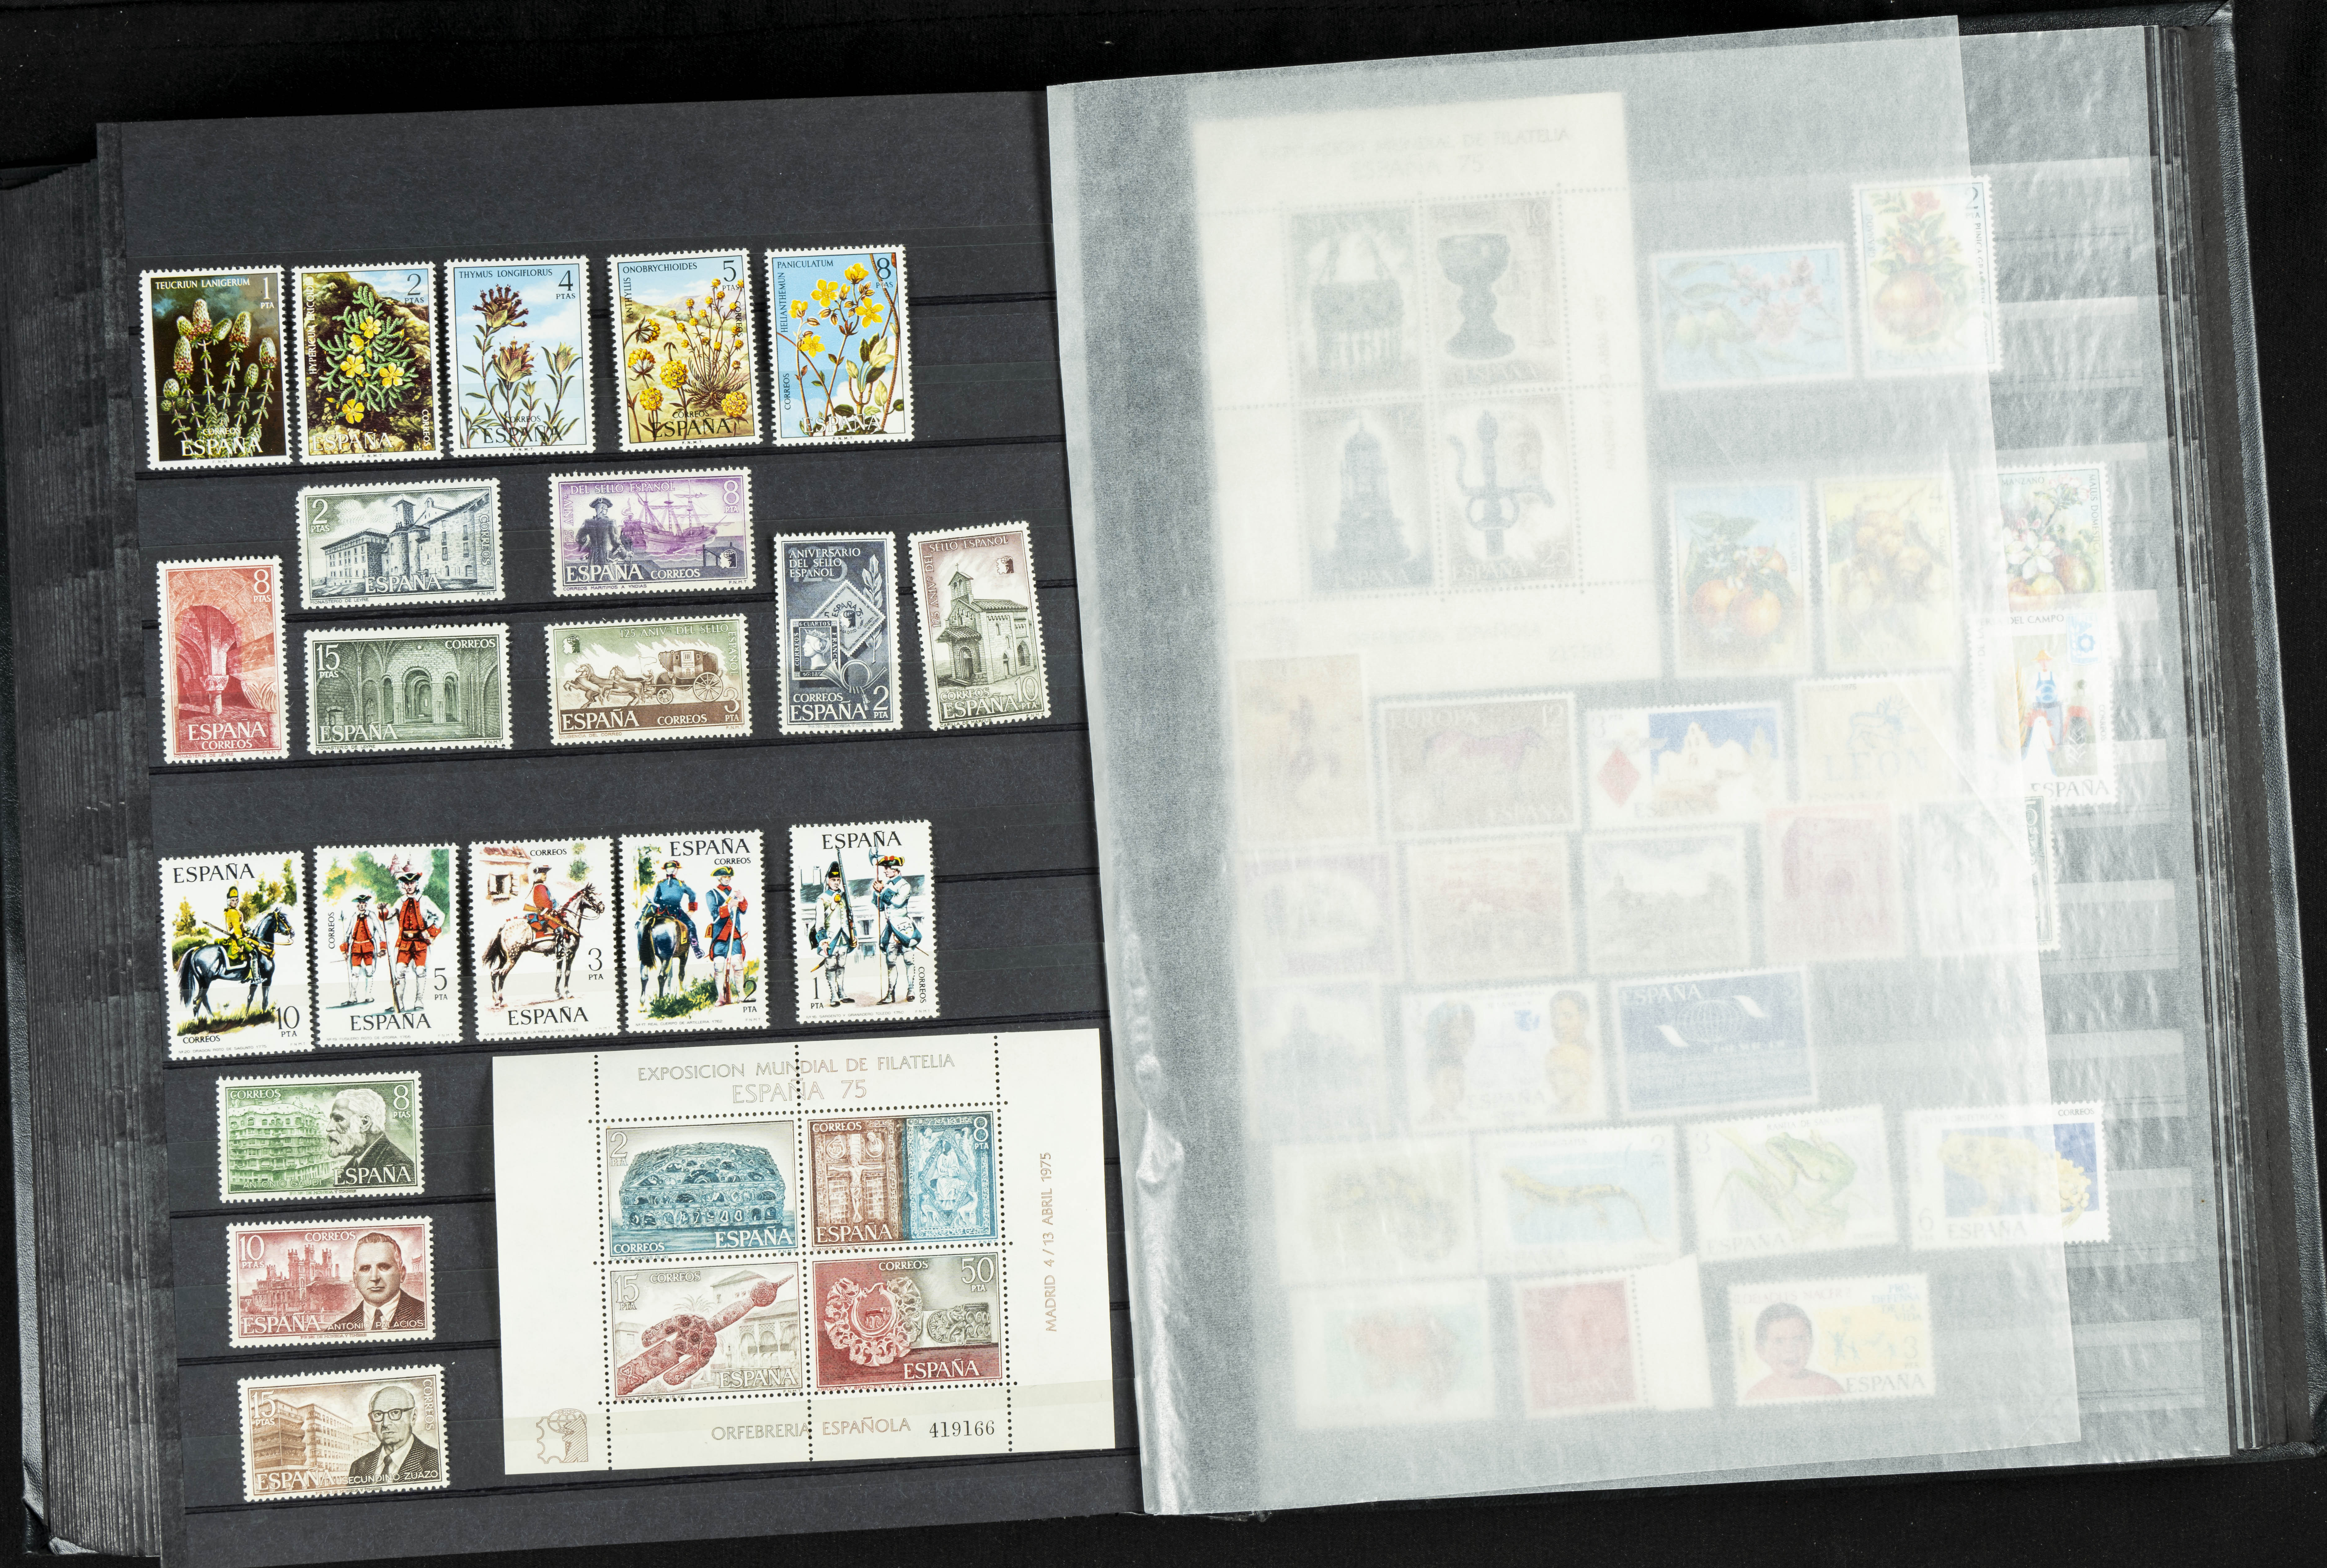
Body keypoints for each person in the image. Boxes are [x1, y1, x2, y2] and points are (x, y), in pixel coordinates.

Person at [1742, 1301, 1844, 1401]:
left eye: (1798, 1339)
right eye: (1779, 1342)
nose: (1790, 1349)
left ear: (1810, 1344)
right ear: (1761, 1350)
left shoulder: (1830, 1389)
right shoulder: (1756, 1396)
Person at [346, 1384, 440, 1486]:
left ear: (413, 1417)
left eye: (395, 1413)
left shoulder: (437, 1461)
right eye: (378, 1414)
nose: (386, 1424)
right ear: (372, 1422)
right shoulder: (358, 1466)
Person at [331, 1232, 427, 1332]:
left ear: (402, 1274)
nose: (375, 1278)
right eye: (365, 1269)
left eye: (384, 1267)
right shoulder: (336, 1330)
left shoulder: (428, 1315)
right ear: (356, 1279)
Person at [327, 1088, 416, 1188]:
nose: (329, 1128)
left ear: (365, 1123)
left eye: (338, 1119)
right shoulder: (353, 1165)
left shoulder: (399, 1168)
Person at [387, 863, 444, 1016]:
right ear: (403, 886)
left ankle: (419, 1001)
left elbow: (441, 916)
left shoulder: (425, 900)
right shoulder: (401, 901)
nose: (409, 886)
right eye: (406, 883)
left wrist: (430, 933)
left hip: (420, 943)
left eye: (412, 883)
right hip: (405, 943)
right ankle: (399, 1003)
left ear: (417, 884)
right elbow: (389, 915)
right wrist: (383, 910)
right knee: (400, 971)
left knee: (420, 971)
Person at [870, 852, 923, 1005]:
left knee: (909, 961)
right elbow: (881, 908)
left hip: (904, 927)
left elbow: (898, 902)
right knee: (891, 962)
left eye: (888, 868)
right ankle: (890, 994)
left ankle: (911, 990)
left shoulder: (905, 885)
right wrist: (877, 894)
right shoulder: (887, 885)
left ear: (896, 869)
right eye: (885, 868)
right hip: (891, 928)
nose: (885, 871)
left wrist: (883, 891)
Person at [808, 861, 854, 1008]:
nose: (836, 883)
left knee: (842, 966)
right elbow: (820, 923)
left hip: (844, 937)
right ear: (828, 881)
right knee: (831, 967)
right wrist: (823, 941)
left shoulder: (844, 896)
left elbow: (849, 918)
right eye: (833, 880)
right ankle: (834, 995)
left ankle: (842, 993)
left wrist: (854, 936)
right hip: (830, 939)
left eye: (838, 880)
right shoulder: (822, 898)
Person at [1543, 989, 1596, 1114]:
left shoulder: (1595, 1056)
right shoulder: (1551, 1057)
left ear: (1585, 1019)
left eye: (1568, 1017)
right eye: (1555, 1018)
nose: (1560, 1025)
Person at [704, 865, 748, 1007]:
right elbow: (715, 913)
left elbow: (743, 910)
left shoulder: (734, 893)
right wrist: (729, 906)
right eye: (724, 877)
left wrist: (742, 900)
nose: (727, 879)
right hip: (720, 936)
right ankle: (721, 998)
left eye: (729, 877)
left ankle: (742, 995)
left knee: (738, 965)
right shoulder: (711, 894)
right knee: (719, 967)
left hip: (734, 934)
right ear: (719, 878)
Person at [642, 859, 700, 956]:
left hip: (662, 911)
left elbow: (656, 899)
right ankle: (697, 949)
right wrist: (692, 910)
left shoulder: (661, 884)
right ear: (676, 870)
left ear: (666, 871)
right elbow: (693, 894)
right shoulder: (681, 884)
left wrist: (664, 902)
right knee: (691, 926)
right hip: (676, 911)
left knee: (648, 924)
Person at [338, 890, 383, 1006]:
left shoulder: (372, 916)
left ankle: (368, 996)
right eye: (360, 903)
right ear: (357, 905)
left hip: (369, 947)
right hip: (356, 948)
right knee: (355, 972)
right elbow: (348, 933)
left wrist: (382, 948)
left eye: (364, 903)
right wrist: (344, 950)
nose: (362, 905)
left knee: (369, 971)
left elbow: (380, 931)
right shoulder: (354, 917)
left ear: (366, 904)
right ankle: (353, 997)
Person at [525, 864, 568, 937]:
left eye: (546, 875)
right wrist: (551, 907)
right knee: (560, 929)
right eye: (544, 874)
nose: (546, 876)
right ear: (539, 876)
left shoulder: (541, 886)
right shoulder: (540, 887)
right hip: (544, 914)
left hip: (546, 911)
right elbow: (544, 902)